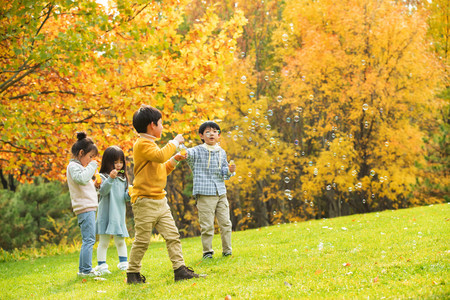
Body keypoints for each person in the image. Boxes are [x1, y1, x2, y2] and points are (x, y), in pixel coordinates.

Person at [126, 104, 205, 284]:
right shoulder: (142, 144)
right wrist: (175, 142)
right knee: (142, 240)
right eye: (161, 123)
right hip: (144, 201)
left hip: (160, 201)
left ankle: (180, 270)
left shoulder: (151, 146)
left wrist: (174, 159)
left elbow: (161, 168)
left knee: (173, 236)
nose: (162, 127)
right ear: (152, 125)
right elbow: (161, 156)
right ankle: (132, 273)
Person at [184, 121, 236, 259]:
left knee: (225, 223)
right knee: (207, 225)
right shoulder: (197, 151)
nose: (212, 134)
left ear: (218, 135)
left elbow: (224, 172)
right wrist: (179, 145)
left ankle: (227, 251)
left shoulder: (222, 152)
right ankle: (207, 252)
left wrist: (230, 171)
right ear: (201, 135)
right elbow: (185, 153)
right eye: (208, 132)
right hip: (205, 193)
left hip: (221, 192)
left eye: (215, 131)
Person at [66, 132, 100, 276]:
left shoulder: (78, 167)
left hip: (88, 207)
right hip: (84, 209)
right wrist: (92, 166)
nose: (91, 160)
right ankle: (86, 270)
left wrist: (95, 186)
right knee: (89, 239)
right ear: (81, 153)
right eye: (90, 157)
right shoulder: (74, 167)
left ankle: (83, 270)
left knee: (88, 239)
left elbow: (84, 185)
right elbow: (81, 179)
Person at [93, 146, 131, 275]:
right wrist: (110, 178)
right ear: (108, 162)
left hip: (118, 215)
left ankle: (124, 263)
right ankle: (102, 265)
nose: (119, 165)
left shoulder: (123, 178)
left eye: (121, 162)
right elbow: (103, 191)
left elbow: (124, 198)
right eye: (115, 162)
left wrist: (131, 193)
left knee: (120, 241)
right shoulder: (103, 177)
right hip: (106, 214)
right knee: (103, 242)